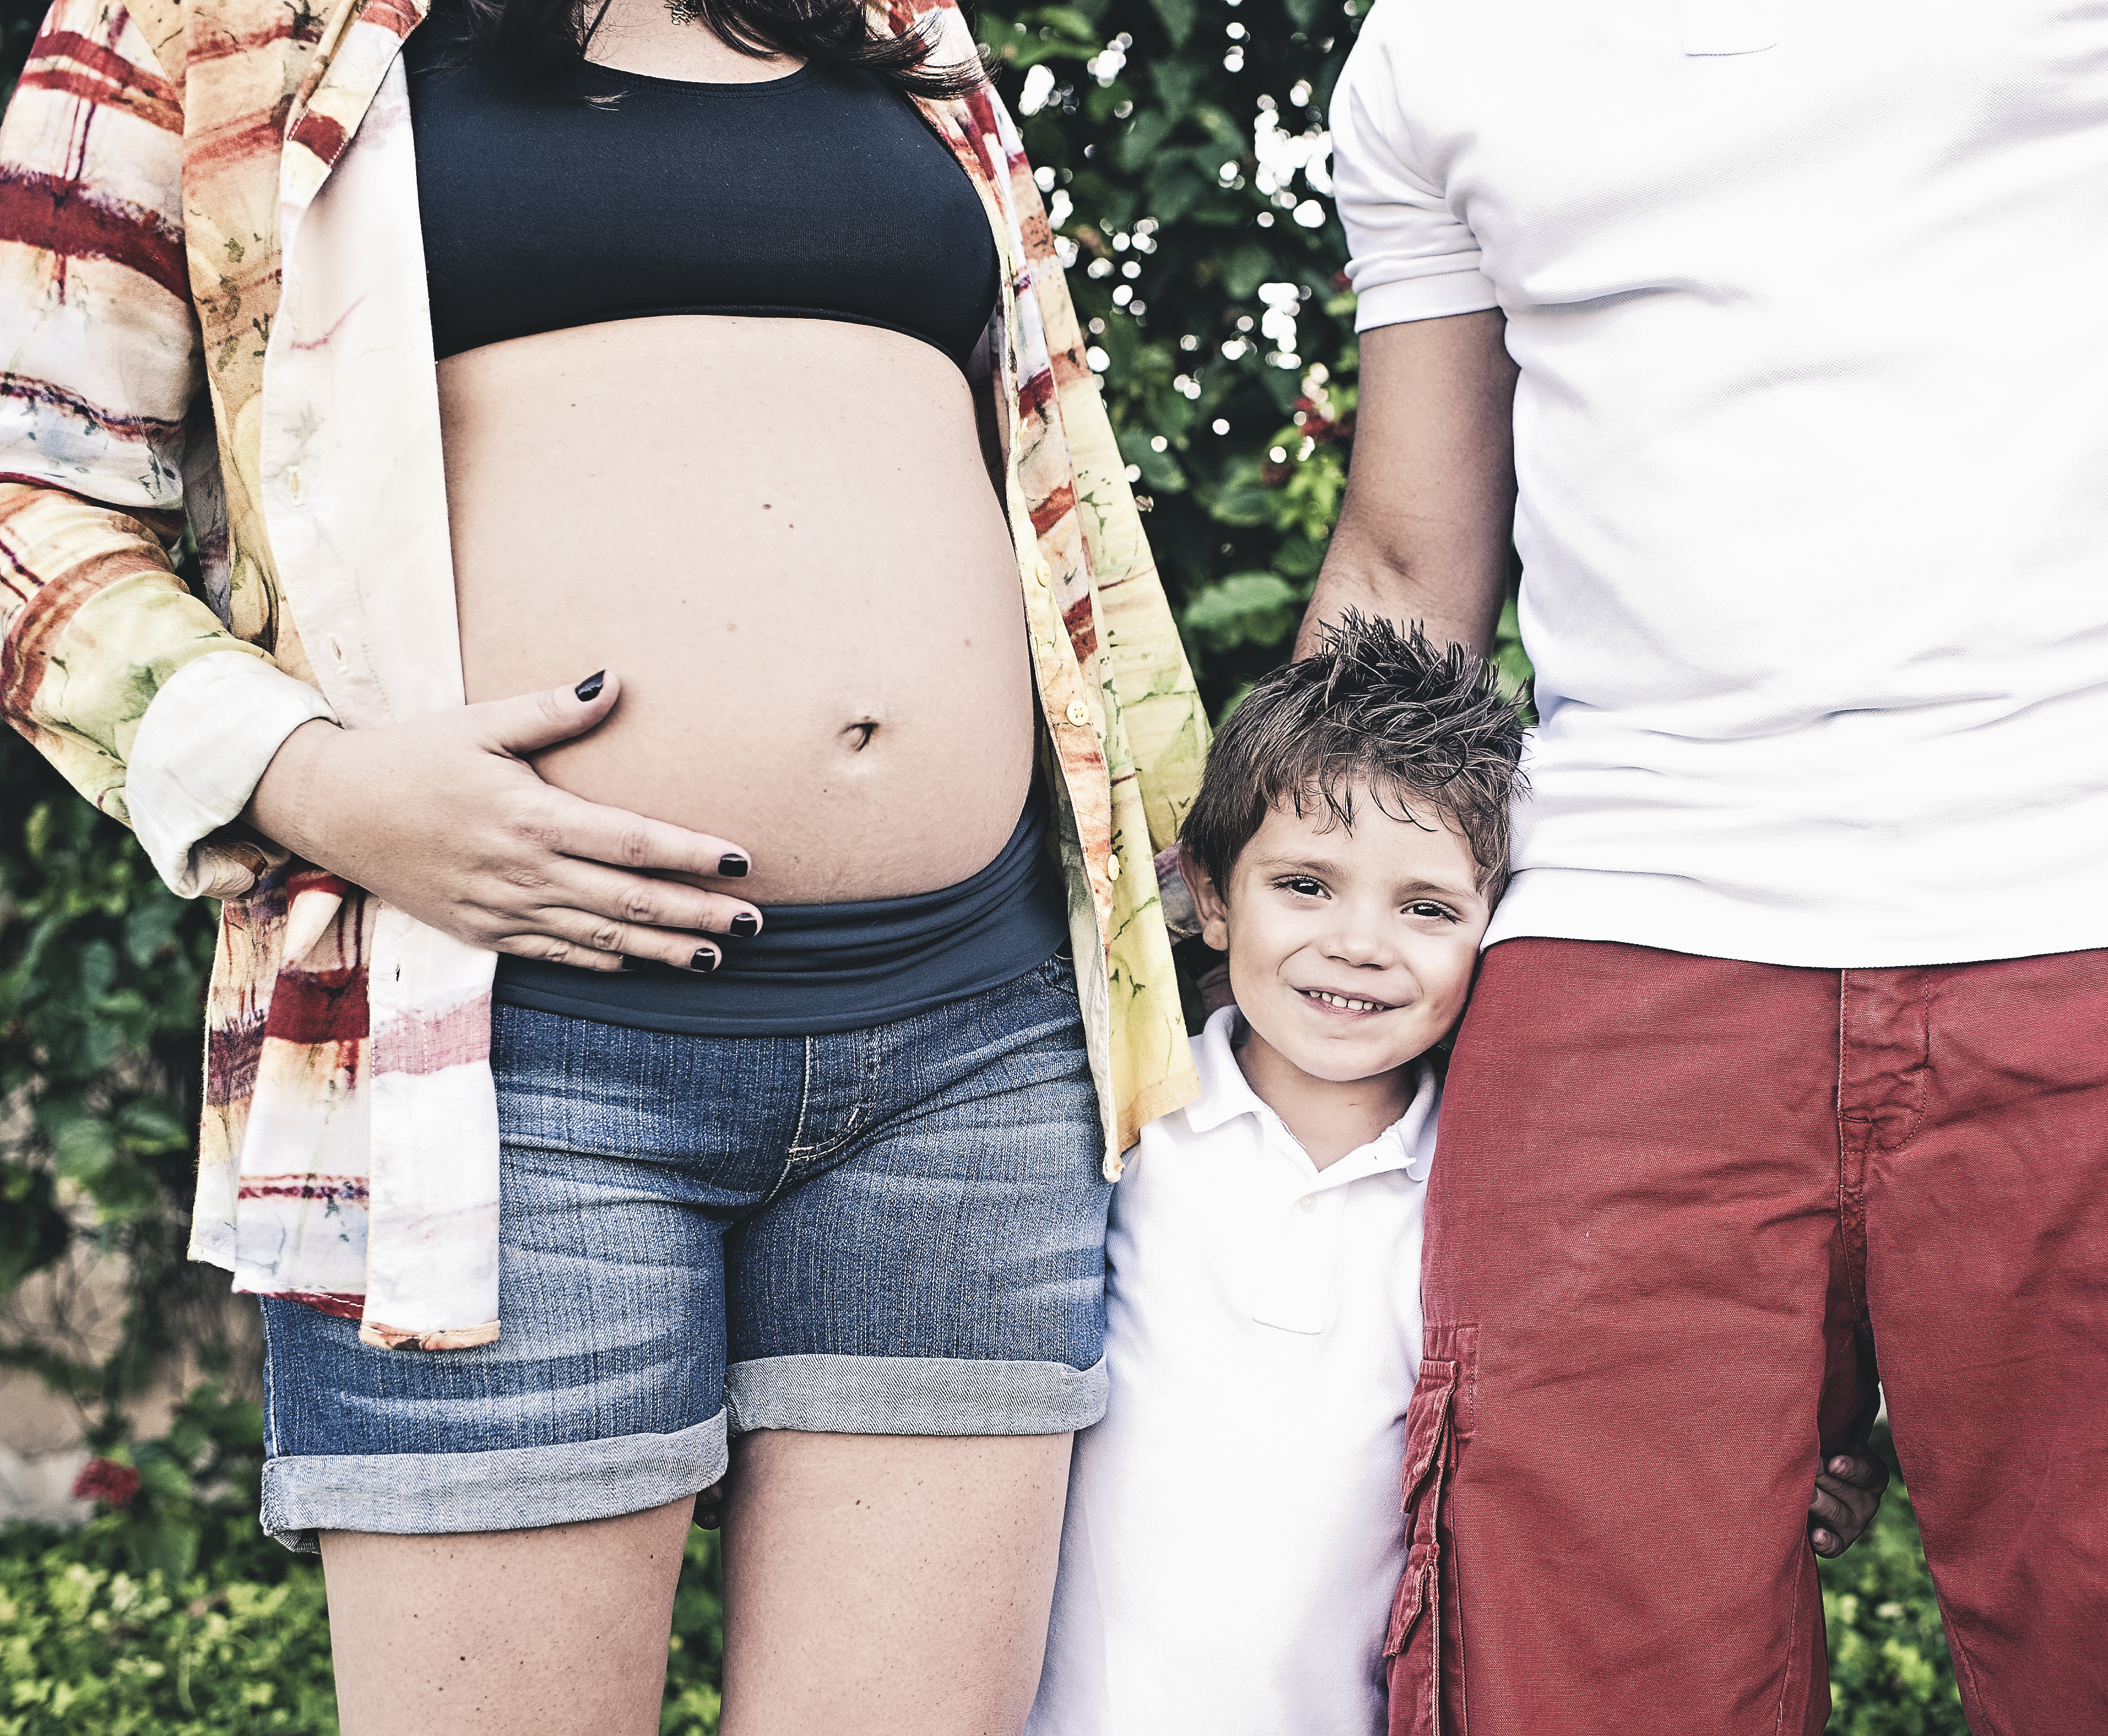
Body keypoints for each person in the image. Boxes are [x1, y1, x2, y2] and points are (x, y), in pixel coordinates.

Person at [1309, 2, 2108, 1732]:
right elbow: (1404, 554)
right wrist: (1292, 1007)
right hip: (1621, 950)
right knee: (1560, 1678)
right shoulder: (1435, 42)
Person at [0, 0, 1206, 1727]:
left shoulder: (887, 22)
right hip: (499, 1059)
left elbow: (1059, 479)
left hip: (977, 1051)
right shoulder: (203, 23)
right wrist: (312, 779)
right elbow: (25, 488)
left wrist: (1202, 886)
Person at [1025, 614, 1891, 1736]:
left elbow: (1653, 1374)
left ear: (1499, 930)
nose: (1360, 943)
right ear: (1213, 892)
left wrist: (1788, 1454)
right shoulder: (1123, 1125)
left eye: (1427, 908)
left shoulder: (1498, 1186)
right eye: (1306, 885)